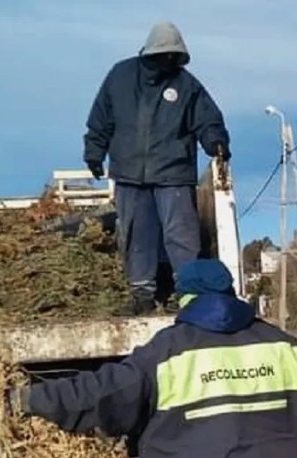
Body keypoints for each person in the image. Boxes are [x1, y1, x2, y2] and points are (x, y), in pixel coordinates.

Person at [0, 259, 297, 458]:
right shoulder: (286, 347)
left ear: (185, 300)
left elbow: (99, 394)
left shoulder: (168, 352)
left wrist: (23, 397)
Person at [83, 21, 231, 316]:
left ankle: (188, 294)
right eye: (163, 55)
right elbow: (101, 117)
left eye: (173, 56)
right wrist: (94, 152)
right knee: (137, 236)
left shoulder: (186, 85)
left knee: (181, 236)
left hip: (173, 174)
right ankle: (142, 297)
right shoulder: (120, 76)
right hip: (129, 173)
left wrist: (216, 143)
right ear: (150, 53)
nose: (168, 61)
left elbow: (208, 119)